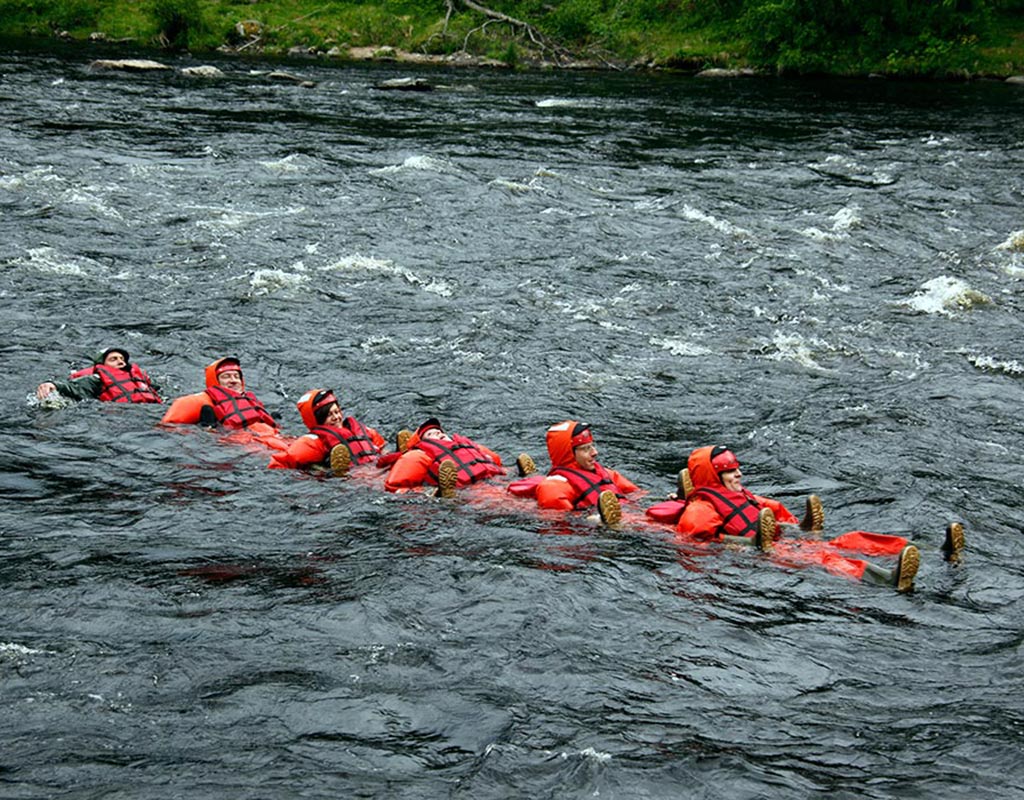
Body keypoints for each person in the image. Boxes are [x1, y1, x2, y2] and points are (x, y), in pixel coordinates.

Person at [649, 445, 965, 592]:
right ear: (713, 476)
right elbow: (695, 536)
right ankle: (888, 578)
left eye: (737, 469)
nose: (739, 474)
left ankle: (930, 549)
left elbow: (772, 509)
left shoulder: (742, 495)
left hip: (784, 541)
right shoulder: (702, 505)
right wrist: (745, 543)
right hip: (766, 553)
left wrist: (798, 526)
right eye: (731, 471)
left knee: (851, 539)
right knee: (828, 558)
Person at [509, 420, 639, 525]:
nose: (595, 452)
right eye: (585, 449)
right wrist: (592, 522)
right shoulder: (554, 488)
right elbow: (558, 526)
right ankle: (527, 476)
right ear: (569, 454)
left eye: (592, 446)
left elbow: (636, 495)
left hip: (623, 514)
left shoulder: (607, 474)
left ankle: (530, 476)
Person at [160, 356, 289, 451]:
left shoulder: (250, 402)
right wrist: (207, 431)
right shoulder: (201, 403)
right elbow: (168, 429)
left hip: (272, 437)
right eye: (226, 377)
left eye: (236, 376)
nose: (233, 381)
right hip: (242, 443)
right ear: (215, 381)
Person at [269, 387, 387, 473]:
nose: (336, 417)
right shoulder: (312, 442)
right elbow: (278, 464)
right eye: (329, 415)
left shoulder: (365, 431)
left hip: (379, 468)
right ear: (318, 419)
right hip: (354, 478)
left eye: (337, 412)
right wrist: (318, 473)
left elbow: (383, 449)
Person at [384, 417, 505, 496]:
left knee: (513, 491)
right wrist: (430, 492)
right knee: (503, 504)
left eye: (440, 432)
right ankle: (446, 494)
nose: (438, 432)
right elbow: (395, 488)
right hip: (466, 491)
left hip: (494, 482)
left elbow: (498, 464)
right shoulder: (419, 455)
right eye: (430, 434)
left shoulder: (472, 447)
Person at [35, 346, 161, 404]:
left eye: (122, 359)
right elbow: (73, 387)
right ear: (102, 365)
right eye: (113, 359)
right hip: (120, 415)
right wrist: (52, 384)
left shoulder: (140, 378)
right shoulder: (96, 379)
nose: (120, 362)